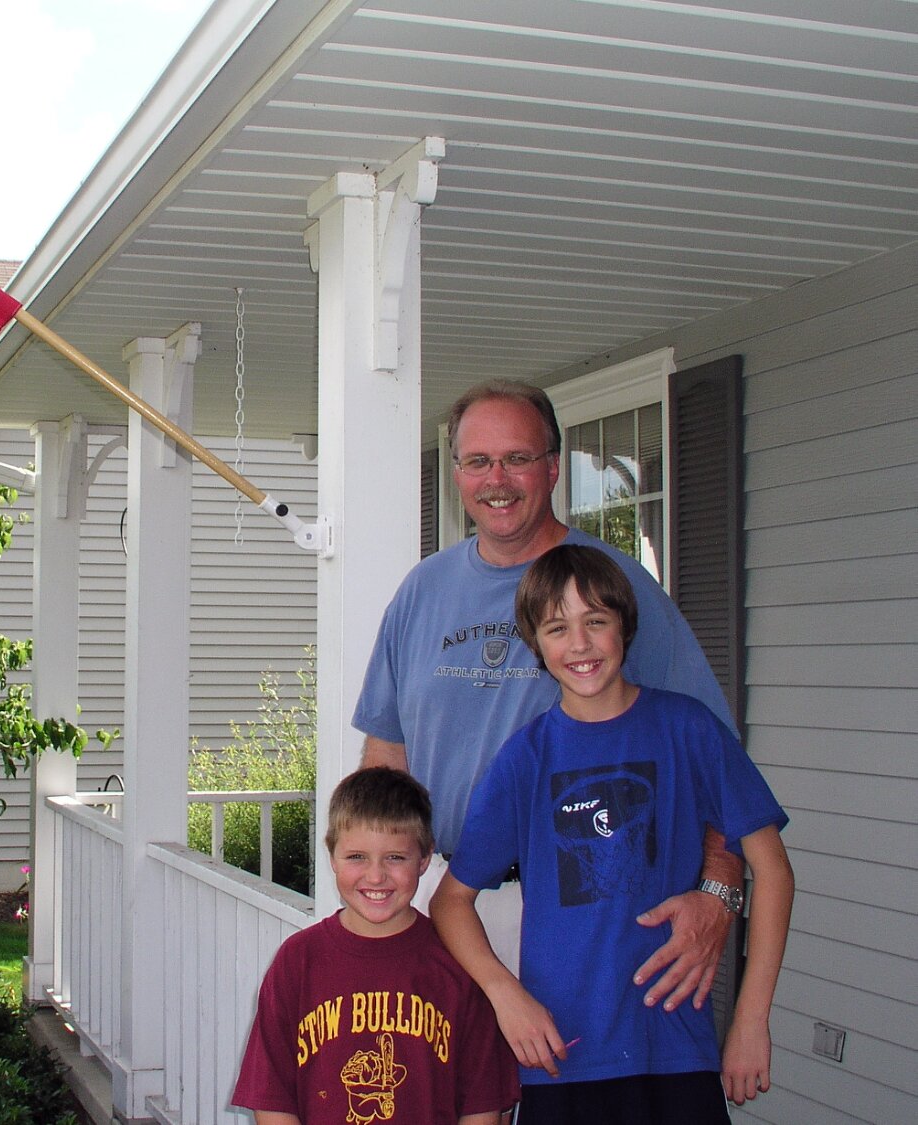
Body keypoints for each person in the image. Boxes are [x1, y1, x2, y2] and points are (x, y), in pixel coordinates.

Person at [353, 378, 741, 1007]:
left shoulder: (611, 586)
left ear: (553, 468)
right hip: (443, 899)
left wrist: (718, 893)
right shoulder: (422, 591)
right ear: (457, 474)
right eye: (478, 461)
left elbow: (716, 758)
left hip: (589, 911)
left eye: (517, 458)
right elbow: (385, 759)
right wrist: (379, 887)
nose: (497, 479)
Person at [429, 544, 793, 1122]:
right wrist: (505, 995)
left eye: (596, 621)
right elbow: (451, 901)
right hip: (564, 1052)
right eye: (557, 628)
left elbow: (773, 871)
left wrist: (751, 1020)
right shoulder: (525, 759)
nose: (580, 644)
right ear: (535, 644)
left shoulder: (688, 729)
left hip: (674, 1046)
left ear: (624, 626)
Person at [232, 767, 520, 1125]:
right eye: (356, 857)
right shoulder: (298, 961)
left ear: (424, 859)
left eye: (395, 857)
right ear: (332, 856)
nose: (375, 876)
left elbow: (483, 1105)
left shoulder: (458, 962)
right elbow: (271, 1099)